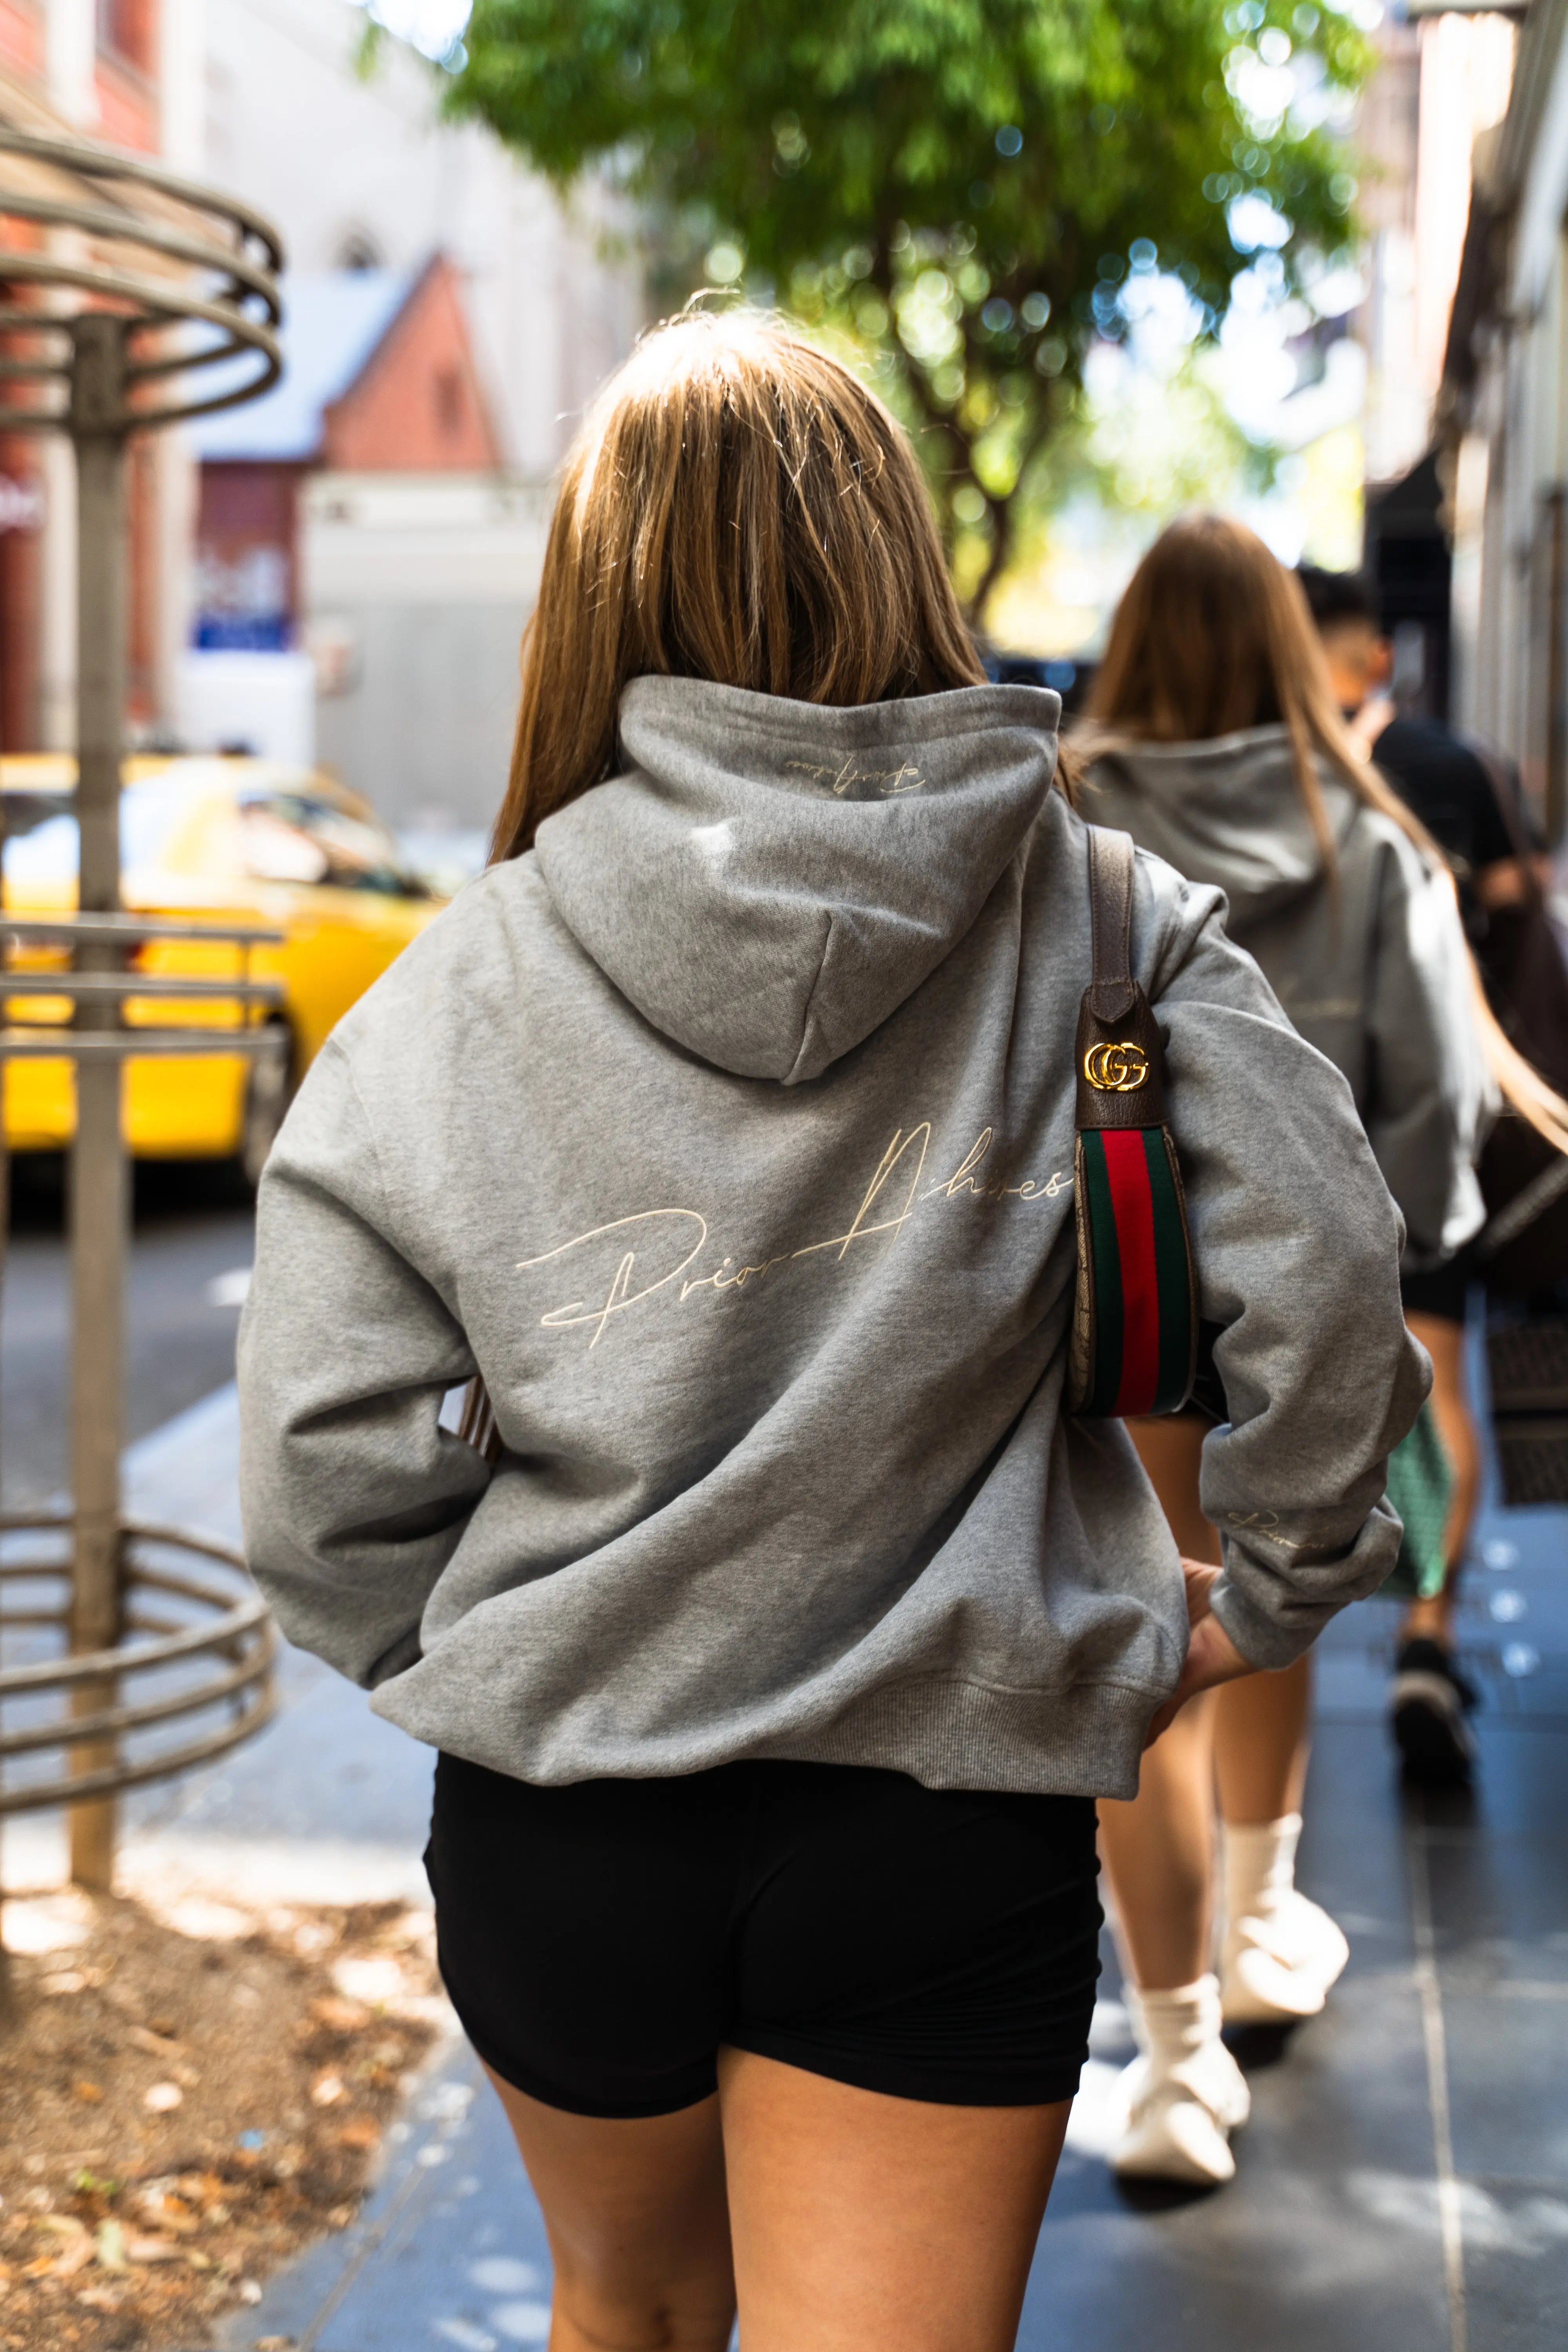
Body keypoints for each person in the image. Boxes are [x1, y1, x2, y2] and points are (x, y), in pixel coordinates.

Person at [237, 318, 1425, 2352]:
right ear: (901, 563)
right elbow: (1331, 1266)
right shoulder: (1104, 917)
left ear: (588, 597)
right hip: (946, 1817)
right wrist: (1270, 1596)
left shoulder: (456, 986)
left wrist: (483, 1649)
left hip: (569, 1816)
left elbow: (321, 1469)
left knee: (625, 2320)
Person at [1076, 515, 1494, 2186]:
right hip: (1310, 1295)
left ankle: (1176, 2069)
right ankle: (1261, 1925)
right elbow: (1437, 1111)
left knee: (1134, 1646)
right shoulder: (1364, 830)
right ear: (1279, 640)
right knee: (1276, 1591)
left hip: (1120, 1303)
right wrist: (1380, 1258)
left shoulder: (1062, 821)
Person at [1298, 564, 1546, 1780]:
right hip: (1432, 1119)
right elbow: (1520, 907)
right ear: (1375, 655)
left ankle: (1264, 1622)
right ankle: (1427, 1637)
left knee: (1261, 1388)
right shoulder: (1451, 770)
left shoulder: (1266, 771)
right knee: (1440, 1373)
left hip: (1289, 1126)